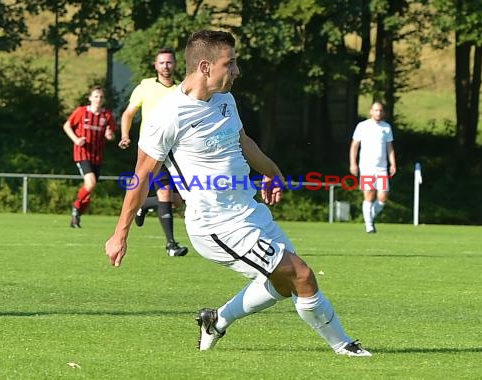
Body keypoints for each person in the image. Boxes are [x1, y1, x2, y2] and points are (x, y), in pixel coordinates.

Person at [105, 30, 372, 357]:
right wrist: (120, 234)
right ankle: (345, 347)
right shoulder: (168, 115)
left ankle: (216, 321)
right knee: (301, 275)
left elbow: (243, 141)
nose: (236, 71)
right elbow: (142, 176)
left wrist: (271, 172)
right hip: (217, 225)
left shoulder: (225, 100)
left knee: (283, 285)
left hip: (250, 211)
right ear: (205, 67)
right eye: (229, 64)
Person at [118, 47, 188, 257]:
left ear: (175, 64)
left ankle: (144, 205)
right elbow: (128, 113)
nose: (166, 66)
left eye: (169, 62)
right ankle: (171, 245)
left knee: (179, 200)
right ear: (155, 65)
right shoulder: (146, 87)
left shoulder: (181, 90)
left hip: (176, 152)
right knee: (165, 193)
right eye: (162, 62)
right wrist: (125, 135)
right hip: (152, 150)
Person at [63, 85, 116, 228]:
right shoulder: (81, 112)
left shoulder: (107, 116)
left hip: (97, 156)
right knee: (91, 183)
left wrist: (110, 135)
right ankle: (76, 207)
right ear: (90, 98)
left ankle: (77, 215)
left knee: (89, 189)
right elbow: (67, 126)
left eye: (101, 97)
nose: (98, 99)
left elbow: (110, 133)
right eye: (96, 96)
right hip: (82, 154)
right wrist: (76, 139)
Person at [349, 101, 397, 233]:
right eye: (376, 110)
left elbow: (389, 148)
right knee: (369, 195)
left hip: (382, 168)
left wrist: (393, 163)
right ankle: (369, 225)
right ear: (371, 111)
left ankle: (370, 217)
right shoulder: (362, 126)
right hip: (366, 167)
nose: (378, 113)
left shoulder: (386, 127)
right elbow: (354, 146)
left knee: (383, 197)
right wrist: (353, 163)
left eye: (380, 110)